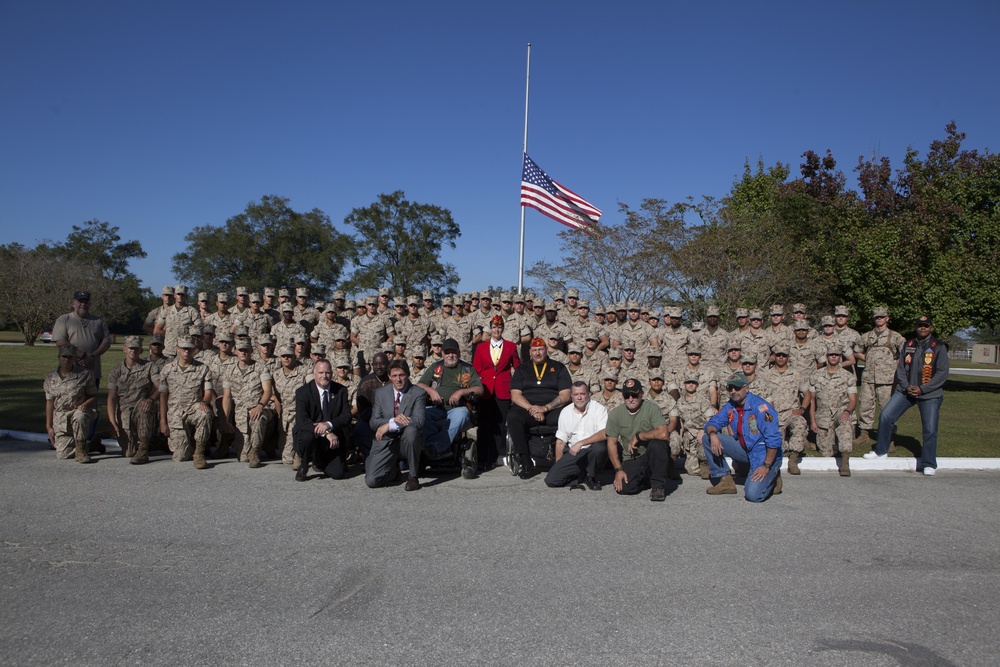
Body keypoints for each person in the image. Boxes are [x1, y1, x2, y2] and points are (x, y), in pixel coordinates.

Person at [864, 315, 949, 475]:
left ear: (931, 327)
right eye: (920, 325)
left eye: (926, 325)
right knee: (886, 416)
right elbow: (901, 368)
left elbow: (942, 373)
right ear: (916, 327)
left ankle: (929, 463)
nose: (922, 328)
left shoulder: (938, 346)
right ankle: (881, 451)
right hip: (906, 391)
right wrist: (906, 386)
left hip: (929, 394)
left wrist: (923, 389)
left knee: (930, 429)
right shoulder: (908, 344)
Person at [702, 372, 783, 502]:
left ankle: (773, 475)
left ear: (746, 388)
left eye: (738, 387)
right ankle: (725, 480)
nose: (734, 391)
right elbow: (712, 423)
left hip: (763, 454)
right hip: (745, 448)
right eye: (730, 388)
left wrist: (766, 466)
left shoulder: (761, 407)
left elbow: (773, 440)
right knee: (706, 438)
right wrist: (712, 435)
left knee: (753, 495)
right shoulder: (730, 406)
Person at [507, 337, 573, 479]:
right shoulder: (522, 369)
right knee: (513, 417)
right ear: (530, 352)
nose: (537, 353)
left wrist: (545, 408)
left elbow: (566, 395)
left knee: (568, 415)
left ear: (546, 350)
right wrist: (532, 408)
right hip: (528, 409)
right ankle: (526, 463)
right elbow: (515, 395)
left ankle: (562, 461)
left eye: (540, 349)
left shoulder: (559, 367)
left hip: (552, 410)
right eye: (534, 350)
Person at [417, 338, 483, 476]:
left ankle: (437, 448)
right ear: (442, 354)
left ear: (458, 353)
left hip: (458, 409)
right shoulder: (436, 367)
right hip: (438, 408)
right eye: (447, 353)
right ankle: (433, 447)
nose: (450, 355)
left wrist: (461, 392)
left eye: (453, 352)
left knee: (461, 415)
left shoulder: (467, 368)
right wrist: (431, 391)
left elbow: (479, 389)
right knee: (421, 414)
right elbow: (419, 385)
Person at [52, 290, 112, 442]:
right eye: (80, 301)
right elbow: (60, 341)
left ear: (90, 304)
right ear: (73, 303)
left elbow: (106, 341)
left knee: (90, 404)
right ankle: (65, 437)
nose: (82, 304)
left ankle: (87, 438)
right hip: (70, 373)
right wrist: (80, 355)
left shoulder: (98, 321)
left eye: (86, 302)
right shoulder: (64, 320)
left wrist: (92, 356)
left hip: (92, 371)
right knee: (67, 404)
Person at [605, 378, 673, 501]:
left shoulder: (652, 408)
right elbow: (611, 443)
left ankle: (658, 486)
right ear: (622, 397)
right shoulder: (615, 414)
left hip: (651, 453)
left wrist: (639, 436)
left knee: (658, 444)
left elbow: (664, 434)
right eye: (627, 395)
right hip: (632, 458)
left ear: (641, 394)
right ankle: (650, 476)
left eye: (634, 395)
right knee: (625, 488)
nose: (630, 399)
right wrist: (619, 470)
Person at [368, 359, 427, 491]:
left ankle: (413, 476)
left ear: (408, 375)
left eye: (401, 375)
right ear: (389, 376)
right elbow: (374, 422)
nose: (398, 379)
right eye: (394, 376)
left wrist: (390, 425)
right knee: (372, 481)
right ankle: (393, 471)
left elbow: (418, 420)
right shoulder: (380, 393)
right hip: (387, 440)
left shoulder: (418, 393)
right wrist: (392, 421)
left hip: (407, 439)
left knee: (412, 431)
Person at [158, 336, 214, 468]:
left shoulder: (203, 369)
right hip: (175, 411)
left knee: (205, 414)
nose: (186, 352)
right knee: (181, 456)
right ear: (177, 349)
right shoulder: (167, 369)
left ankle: (199, 452)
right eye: (184, 349)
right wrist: (163, 421)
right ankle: (188, 447)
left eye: (189, 349)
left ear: (194, 350)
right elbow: (163, 396)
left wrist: (204, 402)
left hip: (194, 406)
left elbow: (208, 393)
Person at [292, 359, 352, 481]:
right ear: (314, 374)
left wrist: (329, 424)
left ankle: (319, 460)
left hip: (332, 438)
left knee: (338, 474)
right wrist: (326, 432)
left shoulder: (341, 391)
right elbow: (302, 421)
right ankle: (304, 465)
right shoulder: (302, 392)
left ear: (332, 374)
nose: (324, 376)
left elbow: (346, 416)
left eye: (327, 372)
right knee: (306, 437)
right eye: (320, 372)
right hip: (311, 435)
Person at [221, 339, 276, 469]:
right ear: (236, 352)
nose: (243, 353)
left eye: (246, 350)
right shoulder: (229, 371)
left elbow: (268, 391)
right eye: (241, 350)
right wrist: (226, 419)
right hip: (240, 413)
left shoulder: (261, 368)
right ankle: (259, 444)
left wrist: (260, 405)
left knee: (257, 418)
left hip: (260, 408)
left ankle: (255, 451)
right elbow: (227, 397)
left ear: (251, 351)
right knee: (242, 457)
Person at [804, 344, 857, 477]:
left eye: (837, 355)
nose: (834, 357)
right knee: (825, 453)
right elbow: (812, 401)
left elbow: (853, 400)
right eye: (831, 355)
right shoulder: (816, 376)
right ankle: (834, 445)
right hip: (823, 416)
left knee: (845, 423)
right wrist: (813, 421)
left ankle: (845, 462)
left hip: (840, 411)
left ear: (840, 357)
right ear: (827, 357)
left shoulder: (848, 376)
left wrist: (847, 411)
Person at [855, 307, 906, 443]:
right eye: (877, 317)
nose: (879, 319)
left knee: (887, 408)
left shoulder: (895, 336)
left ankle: (888, 438)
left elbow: (906, 352)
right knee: (865, 406)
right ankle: (864, 434)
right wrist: (867, 358)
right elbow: (857, 351)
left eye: (882, 317)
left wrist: (896, 362)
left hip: (887, 379)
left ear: (887, 318)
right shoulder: (866, 336)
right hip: (869, 378)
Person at [544, 381, 608, 490]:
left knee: (599, 448)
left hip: (592, 451)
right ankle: (581, 474)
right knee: (551, 480)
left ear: (588, 394)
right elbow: (560, 442)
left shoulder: (599, 409)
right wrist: (559, 465)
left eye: (582, 394)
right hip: (574, 453)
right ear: (571, 396)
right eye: (576, 394)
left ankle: (590, 476)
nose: (579, 397)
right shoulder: (565, 412)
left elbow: (604, 433)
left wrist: (581, 443)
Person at [106, 336, 160, 464]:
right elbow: (111, 398)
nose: (133, 351)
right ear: (124, 349)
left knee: (144, 409)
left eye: (136, 348)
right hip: (124, 410)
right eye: (130, 348)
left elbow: (161, 387)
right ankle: (156, 443)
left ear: (141, 350)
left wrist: (150, 399)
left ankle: (144, 449)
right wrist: (112, 422)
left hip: (140, 406)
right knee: (128, 453)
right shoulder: (116, 371)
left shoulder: (149, 367)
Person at [43, 344, 99, 463]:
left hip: (79, 412)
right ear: (59, 357)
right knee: (63, 454)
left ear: (74, 359)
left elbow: (93, 395)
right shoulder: (50, 377)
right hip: (61, 418)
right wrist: (49, 426)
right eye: (64, 357)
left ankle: (81, 451)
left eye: (70, 357)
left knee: (80, 416)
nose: (66, 360)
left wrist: (85, 404)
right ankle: (91, 445)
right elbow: (49, 402)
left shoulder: (85, 374)